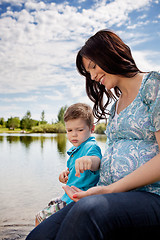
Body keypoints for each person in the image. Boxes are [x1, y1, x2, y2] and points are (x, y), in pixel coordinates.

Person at [26, 30, 160, 240]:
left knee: (88, 210)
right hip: (109, 192)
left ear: (110, 54)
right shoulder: (115, 106)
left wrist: (110, 190)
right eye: (88, 73)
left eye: (93, 67)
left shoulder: (153, 85)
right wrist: (92, 164)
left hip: (151, 195)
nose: (93, 77)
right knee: (41, 234)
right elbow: (114, 157)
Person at [34, 103, 102, 226]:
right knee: (51, 203)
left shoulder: (90, 146)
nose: (74, 134)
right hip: (68, 196)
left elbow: (96, 162)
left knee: (40, 217)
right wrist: (64, 176)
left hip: (78, 198)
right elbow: (73, 174)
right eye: (69, 130)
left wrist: (90, 161)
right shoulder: (75, 150)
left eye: (80, 130)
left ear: (92, 128)